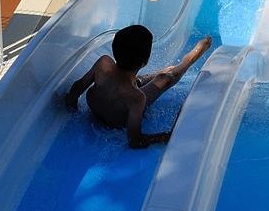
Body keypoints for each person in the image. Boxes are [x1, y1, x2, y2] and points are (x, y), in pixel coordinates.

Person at [65, 25, 213, 149]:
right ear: (145, 61)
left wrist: (71, 106)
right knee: (166, 79)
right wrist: (162, 137)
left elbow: (77, 88)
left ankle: (154, 74)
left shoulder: (103, 64)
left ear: (114, 48)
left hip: (99, 107)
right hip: (118, 118)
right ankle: (189, 60)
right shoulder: (136, 98)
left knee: (135, 81)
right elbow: (135, 141)